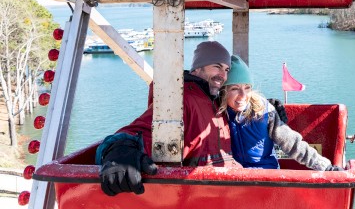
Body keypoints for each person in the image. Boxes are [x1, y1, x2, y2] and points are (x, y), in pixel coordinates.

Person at [95, 41, 288, 196]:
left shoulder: (212, 100)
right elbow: (141, 129)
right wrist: (120, 151)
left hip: (227, 190)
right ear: (197, 69)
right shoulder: (183, 99)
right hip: (200, 194)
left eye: (226, 70)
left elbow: (236, 105)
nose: (222, 75)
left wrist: (264, 105)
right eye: (216, 67)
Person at [218, 55, 343, 171]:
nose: (243, 95)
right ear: (223, 91)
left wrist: (325, 166)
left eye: (247, 88)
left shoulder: (264, 112)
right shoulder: (215, 114)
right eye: (234, 89)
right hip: (235, 177)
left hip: (266, 175)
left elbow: (292, 143)